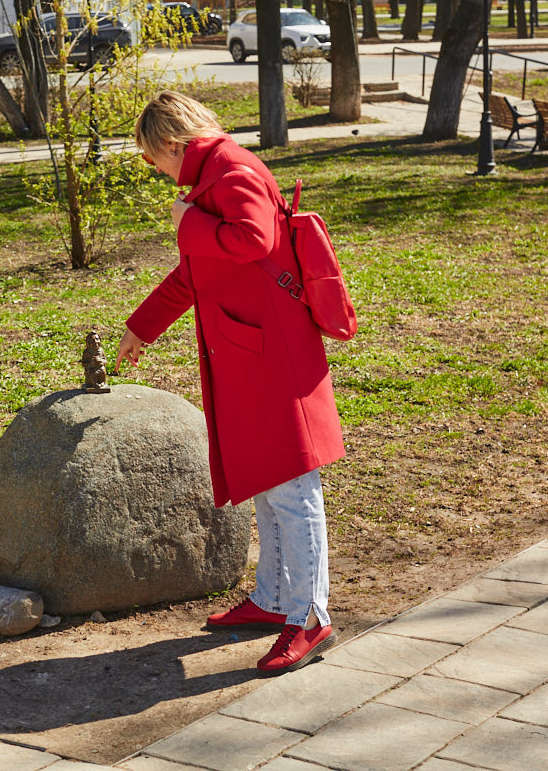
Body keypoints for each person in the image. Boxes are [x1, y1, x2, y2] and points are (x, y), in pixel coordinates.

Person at [115, 90, 349, 675]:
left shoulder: (231, 171)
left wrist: (189, 222)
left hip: (273, 353)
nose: (155, 170)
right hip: (252, 350)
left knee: (293, 488)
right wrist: (141, 328)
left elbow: (254, 241)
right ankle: (274, 601)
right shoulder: (208, 178)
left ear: (170, 144)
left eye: (151, 158)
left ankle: (311, 615)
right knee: (269, 482)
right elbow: (195, 274)